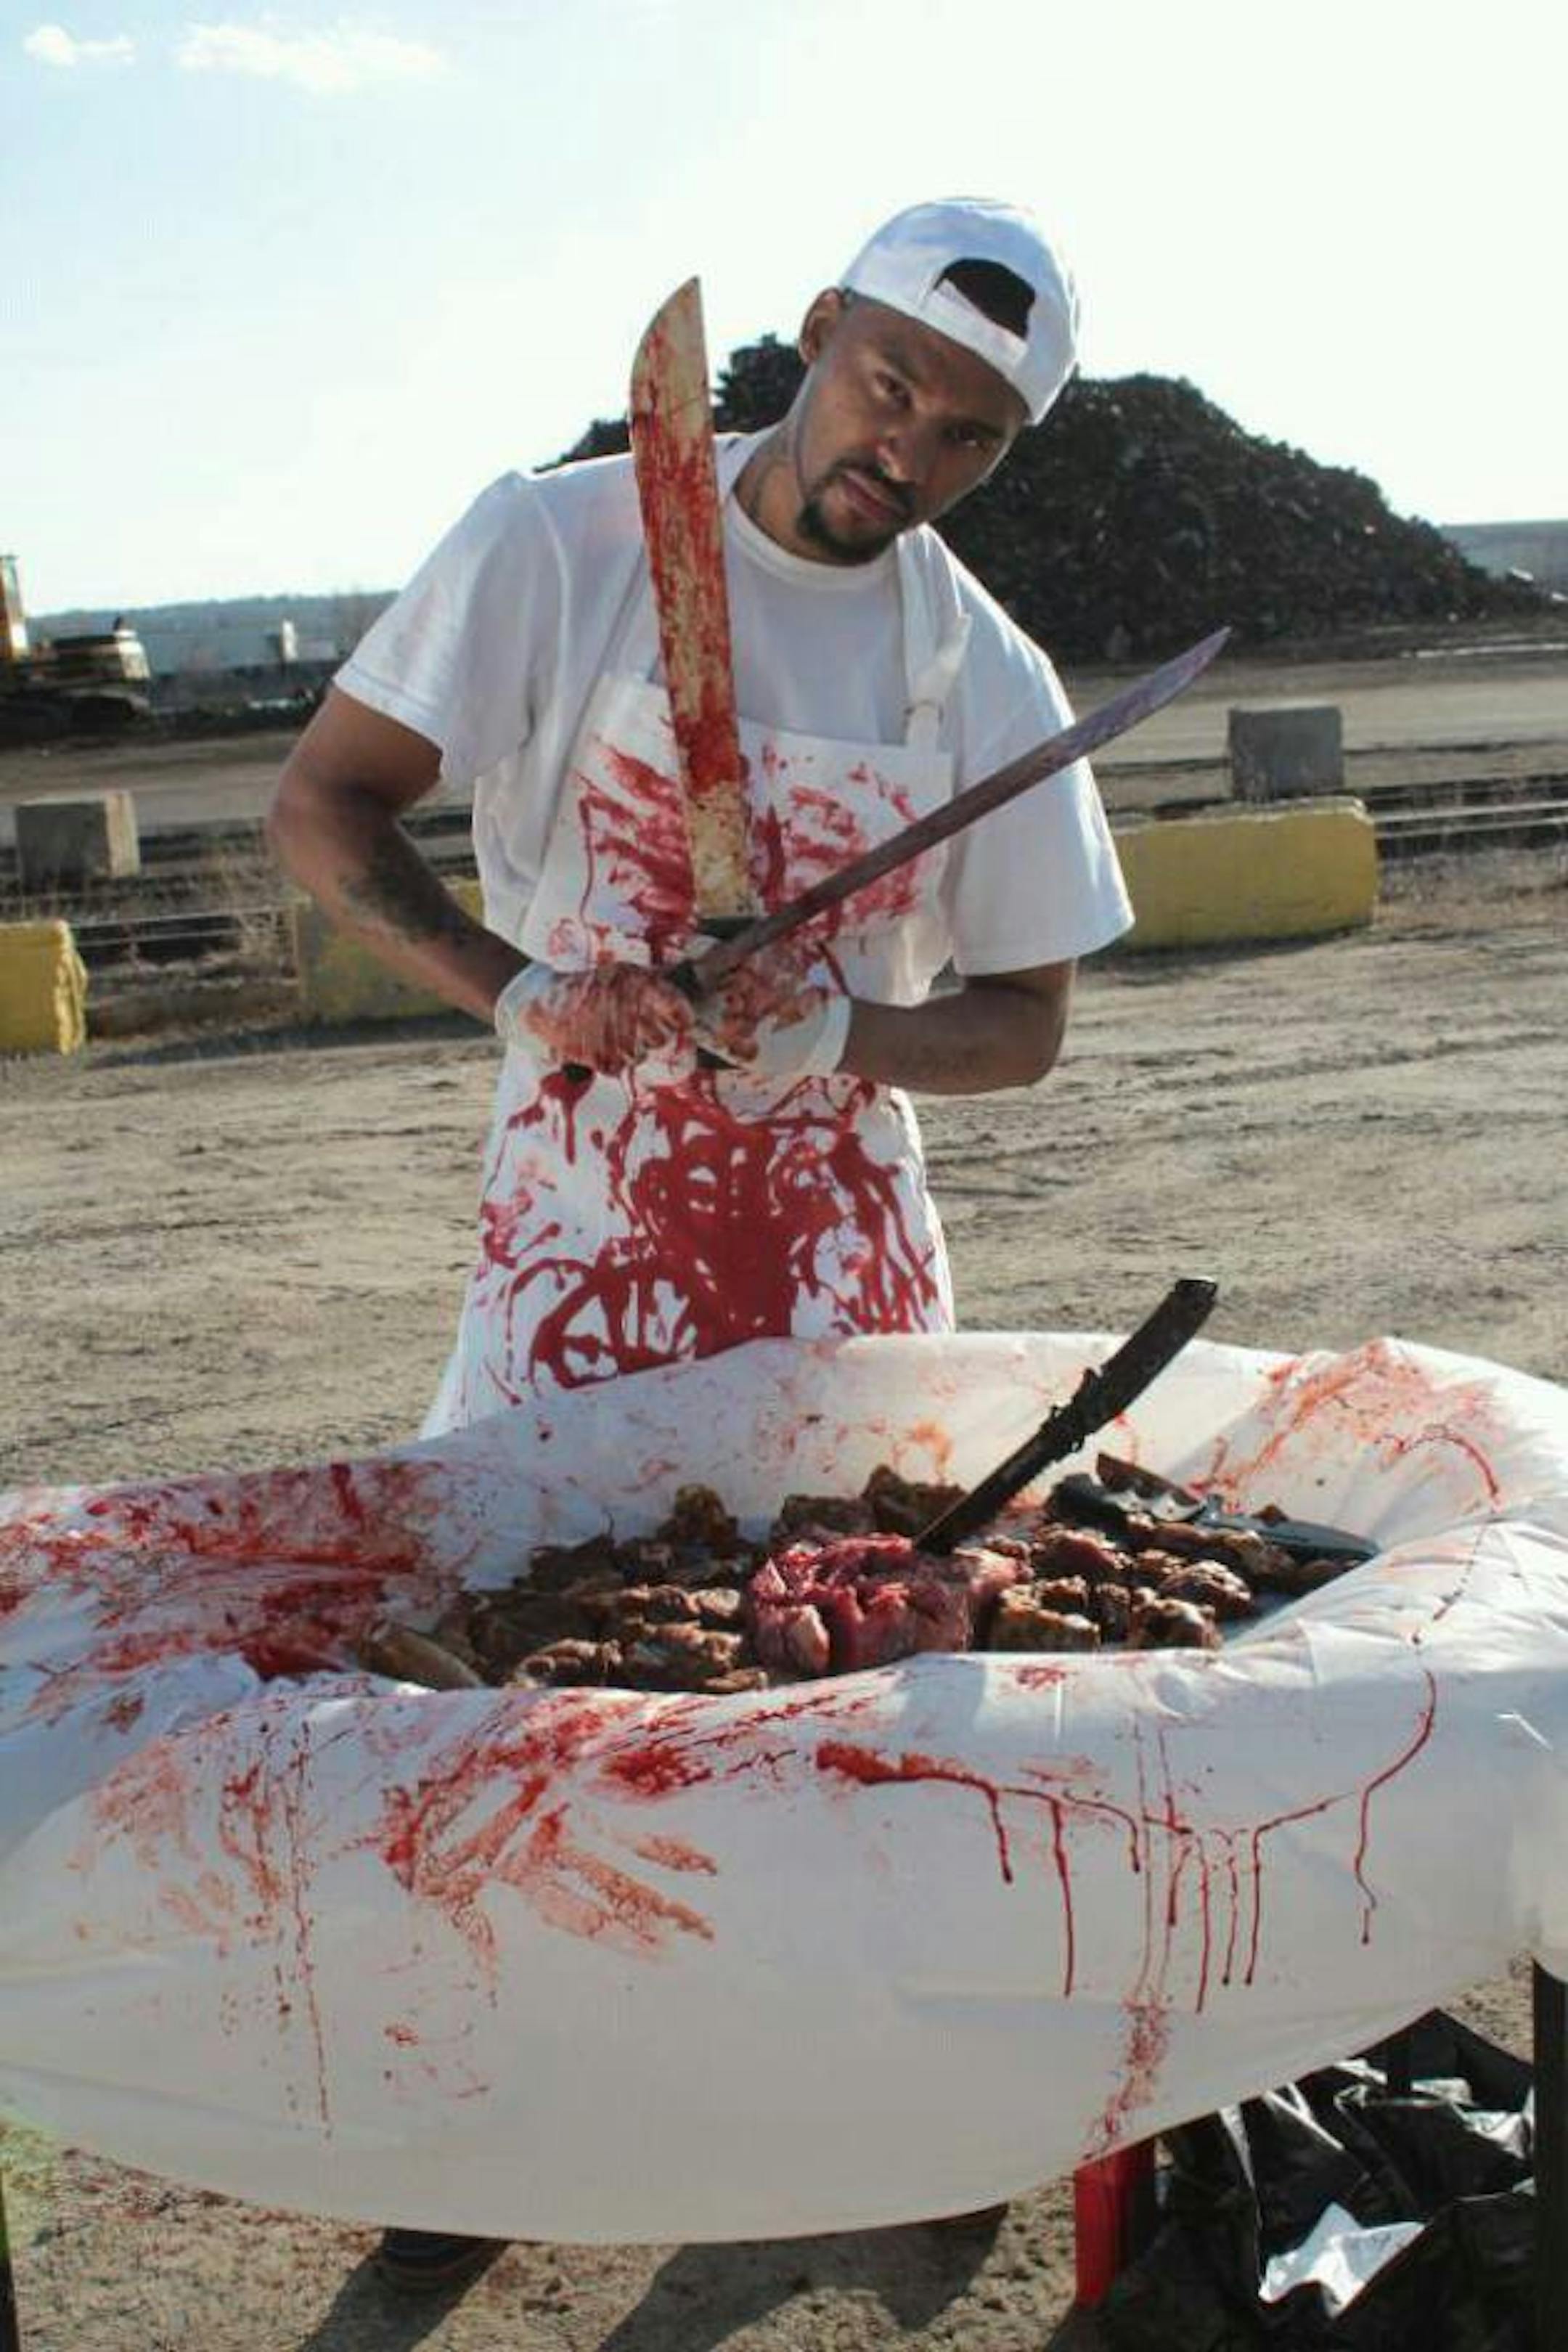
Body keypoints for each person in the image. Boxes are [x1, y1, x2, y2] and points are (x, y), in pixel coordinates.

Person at [269, 196, 1132, 2289]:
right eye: (889, 384)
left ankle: (854, 2134)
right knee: (528, 1690)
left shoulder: (979, 668)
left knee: (845, 1705)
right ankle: (487, 2148)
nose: (905, 450)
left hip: (849, 1285)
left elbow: (1026, 1021)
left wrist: (847, 1035)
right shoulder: (563, 544)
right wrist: (516, 989)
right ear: (820, 330)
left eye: (966, 434)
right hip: (578, 1256)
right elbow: (325, 805)